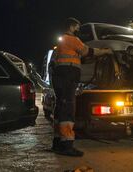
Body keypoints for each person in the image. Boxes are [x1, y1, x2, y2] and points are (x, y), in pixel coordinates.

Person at [51, 17, 113, 157]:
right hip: (68, 77)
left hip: (60, 77)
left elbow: (75, 57)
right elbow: (87, 52)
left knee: (60, 109)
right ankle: (67, 145)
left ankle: (57, 143)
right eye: (77, 27)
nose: (78, 30)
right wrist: (105, 52)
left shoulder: (61, 41)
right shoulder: (72, 40)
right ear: (72, 26)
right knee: (68, 110)